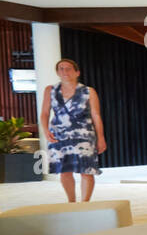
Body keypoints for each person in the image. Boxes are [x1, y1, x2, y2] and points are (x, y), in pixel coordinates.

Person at [40, 57, 106, 202]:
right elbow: (44, 113)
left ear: (77, 72)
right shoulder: (50, 90)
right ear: (57, 72)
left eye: (68, 68)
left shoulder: (88, 91)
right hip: (59, 135)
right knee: (64, 171)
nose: (64, 71)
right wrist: (45, 131)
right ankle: (71, 202)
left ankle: (85, 203)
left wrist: (101, 138)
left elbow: (96, 115)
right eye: (61, 68)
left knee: (87, 171)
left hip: (84, 135)